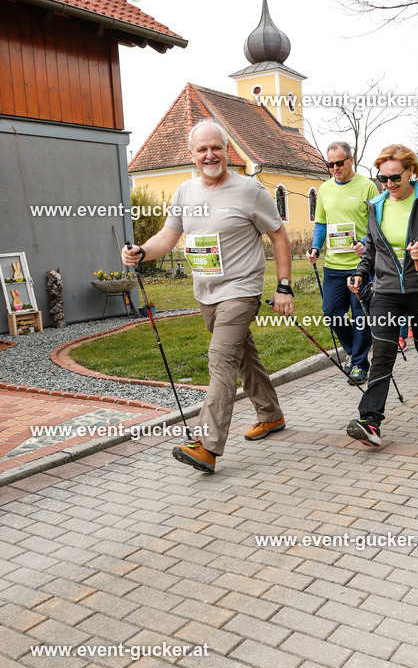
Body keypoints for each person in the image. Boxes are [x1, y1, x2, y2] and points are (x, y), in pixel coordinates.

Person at [122, 119, 293, 474]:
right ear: (192, 155)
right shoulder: (185, 192)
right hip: (207, 294)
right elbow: (168, 237)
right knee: (242, 355)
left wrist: (284, 285)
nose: (210, 154)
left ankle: (206, 444)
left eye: (216, 147)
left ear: (226, 149)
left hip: (241, 290)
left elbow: (279, 236)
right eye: (202, 149)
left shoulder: (250, 191)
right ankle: (271, 414)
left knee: (220, 358)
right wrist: (141, 250)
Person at [345, 144, 418, 446]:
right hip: (386, 291)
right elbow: (372, 248)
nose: (389, 184)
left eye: (395, 178)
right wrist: (361, 273)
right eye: (383, 178)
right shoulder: (376, 205)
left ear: (410, 172)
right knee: (383, 353)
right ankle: (371, 420)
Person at [307, 141, 377, 384]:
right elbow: (321, 223)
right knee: (331, 313)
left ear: (351, 160)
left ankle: (359, 364)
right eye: (330, 164)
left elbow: (377, 225)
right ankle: (352, 351)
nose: (335, 168)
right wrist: (316, 246)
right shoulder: (324, 189)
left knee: (360, 316)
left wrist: (366, 243)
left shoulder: (368, 187)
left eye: (339, 163)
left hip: (360, 265)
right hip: (333, 265)